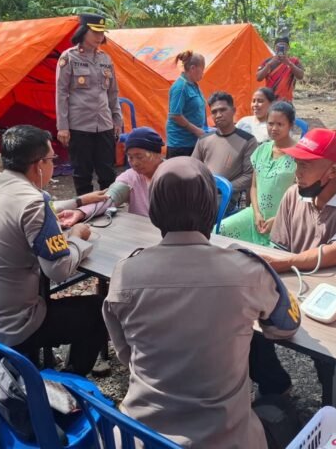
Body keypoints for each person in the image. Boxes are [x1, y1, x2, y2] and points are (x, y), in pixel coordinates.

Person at [102, 157, 301, 447]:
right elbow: (285, 327)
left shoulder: (125, 272)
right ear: (212, 207)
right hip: (226, 439)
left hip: (142, 437)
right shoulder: (248, 269)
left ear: (155, 209)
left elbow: (126, 354)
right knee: (283, 410)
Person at [0, 125, 107, 375]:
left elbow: (25, 211)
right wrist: (79, 238)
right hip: (5, 328)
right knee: (99, 312)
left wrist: (79, 202)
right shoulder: (34, 204)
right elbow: (59, 270)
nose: (52, 165)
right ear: (38, 165)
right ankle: (69, 384)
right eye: (51, 159)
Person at [250, 128, 336, 401]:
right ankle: (276, 389)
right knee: (246, 332)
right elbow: (280, 249)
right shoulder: (292, 195)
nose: (297, 171)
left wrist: (284, 263)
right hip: (299, 287)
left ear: (332, 172)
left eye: (305, 165)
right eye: (297, 163)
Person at [55, 14, 123, 195]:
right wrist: (63, 126)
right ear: (84, 31)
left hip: (104, 123)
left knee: (107, 171)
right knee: (82, 172)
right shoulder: (68, 57)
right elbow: (61, 93)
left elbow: (113, 93)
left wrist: (117, 119)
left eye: (102, 32)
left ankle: (110, 206)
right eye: (95, 32)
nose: (99, 36)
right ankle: (85, 211)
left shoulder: (105, 59)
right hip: (79, 125)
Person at [220, 101, 298, 246]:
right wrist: (256, 213)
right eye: (270, 123)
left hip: (286, 220)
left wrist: (278, 219)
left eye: (280, 124)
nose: (274, 128)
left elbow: (302, 197)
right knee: (219, 231)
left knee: (272, 256)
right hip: (256, 216)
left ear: (291, 125)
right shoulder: (261, 150)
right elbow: (254, 186)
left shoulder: (299, 155)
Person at [56, 127, 164, 228]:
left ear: (158, 154)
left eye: (139, 156)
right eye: (130, 157)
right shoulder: (131, 177)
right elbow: (109, 198)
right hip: (143, 232)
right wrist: (80, 212)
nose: (134, 163)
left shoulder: (173, 176)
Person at [192, 91, 257, 208]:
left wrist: (223, 187)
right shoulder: (204, 139)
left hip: (226, 198)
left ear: (233, 110)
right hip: (202, 192)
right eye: (214, 112)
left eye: (223, 110)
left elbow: (249, 176)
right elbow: (193, 167)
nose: (218, 115)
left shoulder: (248, 141)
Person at [166, 50, 206, 158]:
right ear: (193, 68)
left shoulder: (193, 85)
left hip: (193, 142)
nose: (203, 73)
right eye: (202, 69)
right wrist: (196, 130)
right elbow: (175, 115)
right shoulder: (180, 87)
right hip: (180, 144)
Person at [256, 36, 304, 102]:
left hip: (286, 100)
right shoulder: (267, 61)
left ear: (288, 48)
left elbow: (300, 76)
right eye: (278, 46)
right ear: (275, 48)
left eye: (284, 46)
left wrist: (289, 64)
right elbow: (258, 78)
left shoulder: (294, 61)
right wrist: (269, 65)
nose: (281, 48)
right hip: (270, 99)